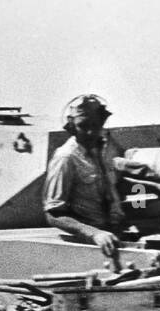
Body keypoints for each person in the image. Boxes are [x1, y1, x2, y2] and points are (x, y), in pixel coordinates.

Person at [43, 95, 129, 258]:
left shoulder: (103, 150)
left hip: (116, 234)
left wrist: (148, 191)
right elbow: (53, 214)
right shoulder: (66, 158)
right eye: (83, 126)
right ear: (72, 127)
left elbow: (118, 184)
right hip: (91, 242)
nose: (90, 132)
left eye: (95, 125)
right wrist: (94, 234)